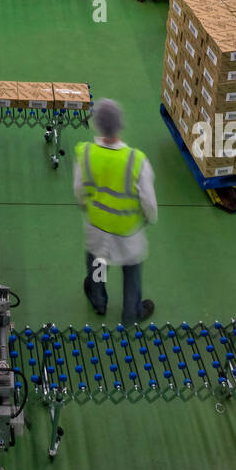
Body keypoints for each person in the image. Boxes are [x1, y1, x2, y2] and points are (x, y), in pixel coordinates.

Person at [74, 98, 157, 323]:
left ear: (97, 125)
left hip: (97, 228)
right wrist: (150, 218)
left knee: (99, 264)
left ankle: (99, 301)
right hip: (128, 232)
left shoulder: (87, 155)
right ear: (121, 124)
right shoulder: (136, 160)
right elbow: (148, 201)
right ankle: (132, 313)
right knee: (131, 272)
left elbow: (79, 190)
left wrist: (88, 209)